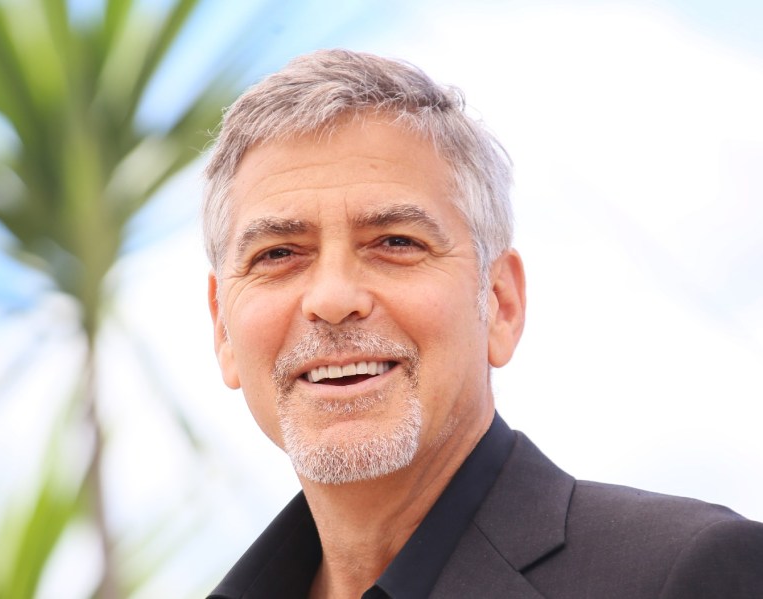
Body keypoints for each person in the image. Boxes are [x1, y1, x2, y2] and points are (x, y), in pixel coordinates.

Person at [202, 49, 763, 599]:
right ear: (223, 328)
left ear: (500, 302)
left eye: (396, 242)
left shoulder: (685, 574)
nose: (332, 299)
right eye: (278, 254)